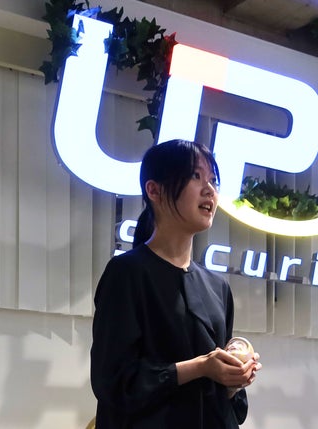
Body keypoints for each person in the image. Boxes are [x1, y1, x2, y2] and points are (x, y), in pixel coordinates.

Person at [90, 139, 261, 428]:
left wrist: (233, 380)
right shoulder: (127, 273)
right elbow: (114, 383)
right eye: (195, 176)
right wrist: (200, 367)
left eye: (213, 180)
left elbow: (227, 406)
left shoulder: (217, 286)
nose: (209, 189)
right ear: (154, 190)